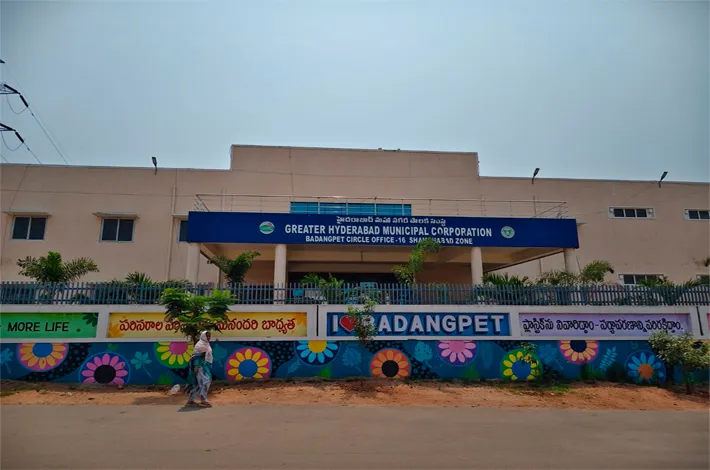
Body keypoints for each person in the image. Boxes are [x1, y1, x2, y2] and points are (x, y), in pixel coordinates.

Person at [185, 331, 213, 408]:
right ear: (203, 336)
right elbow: (196, 356)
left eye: (209, 336)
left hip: (204, 366)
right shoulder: (199, 345)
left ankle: (191, 401)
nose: (209, 337)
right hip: (199, 367)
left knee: (197, 384)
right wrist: (196, 366)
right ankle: (203, 400)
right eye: (207, 336)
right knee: (206, 382)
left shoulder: (206, 344)